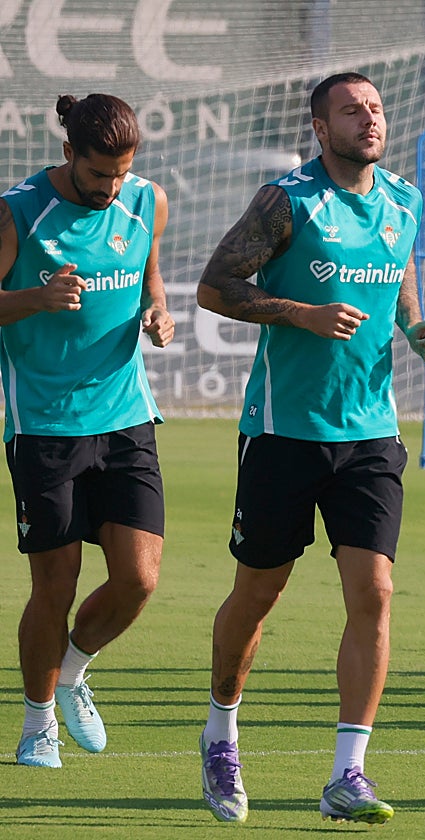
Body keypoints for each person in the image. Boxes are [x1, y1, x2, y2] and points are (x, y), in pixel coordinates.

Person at [195, 72, 425, 825]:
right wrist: (300, 313)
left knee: (375, 592)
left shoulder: (404, 199)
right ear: (318, 125)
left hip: (371, 433)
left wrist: (414, 327)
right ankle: (220, 732)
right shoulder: (289, 201)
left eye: (374, 107)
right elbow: (214, 285)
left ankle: (348, 773)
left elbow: (396, 273)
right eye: (350, 109)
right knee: (259, 593)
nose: (368, 119)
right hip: (283, 432)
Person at [0, 94, 174, 769]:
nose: (111, 188)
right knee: (57, 585)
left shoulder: (145, 201)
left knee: (139, 579)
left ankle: (71, 671)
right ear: (70, 153)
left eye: (122, 173)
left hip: (127, 416)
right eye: (100, 174)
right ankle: (36, 722)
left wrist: (158, 315)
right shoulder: (18, 211)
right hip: (44, 426)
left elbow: (150, 279)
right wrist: (35, 299)